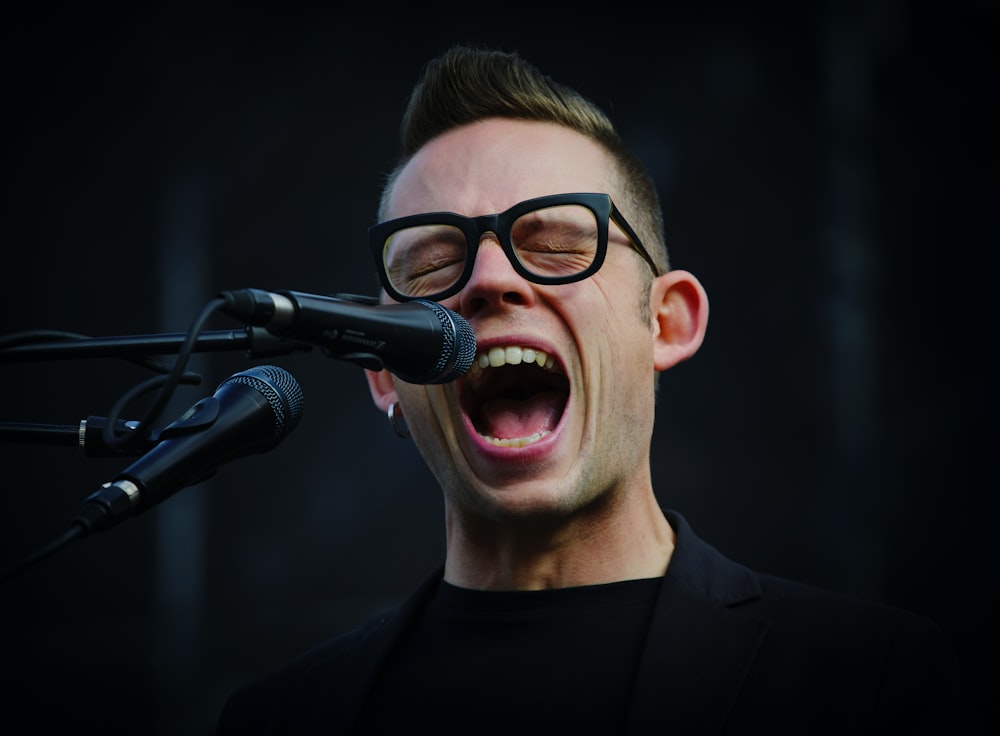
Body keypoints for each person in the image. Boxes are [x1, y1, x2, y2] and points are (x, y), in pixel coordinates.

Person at [216, 44, 980, 734]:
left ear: (667, 323)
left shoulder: (872, 686)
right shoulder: (282, 721)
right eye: (429, 268)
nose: (488, 280)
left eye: (555, 245)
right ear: (384, 374)